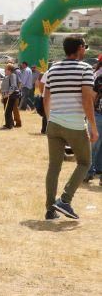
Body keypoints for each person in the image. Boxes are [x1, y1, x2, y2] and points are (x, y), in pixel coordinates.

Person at [42, 35, 98, 220]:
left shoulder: (53, 68)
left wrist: (50, 119)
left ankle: (50, 209)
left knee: (54, 166)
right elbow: (87, 99)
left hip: (54, 123)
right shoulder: (85, 68)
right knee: (84, 162)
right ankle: (65, 200)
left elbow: (45, 97)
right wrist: (93, 126)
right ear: (80, 48)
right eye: (85, 48)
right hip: (74, 123)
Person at [0, 63, 21, 129]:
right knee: (6, 110)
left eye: (5, 69)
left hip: (10, 96)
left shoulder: (13, 75)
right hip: (5, 96)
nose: (4, 70)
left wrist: (9, 93)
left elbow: (13, 85)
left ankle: (9, 125)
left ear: (9, 70)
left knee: (8, 110)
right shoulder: (6, 76)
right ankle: (9, 123)